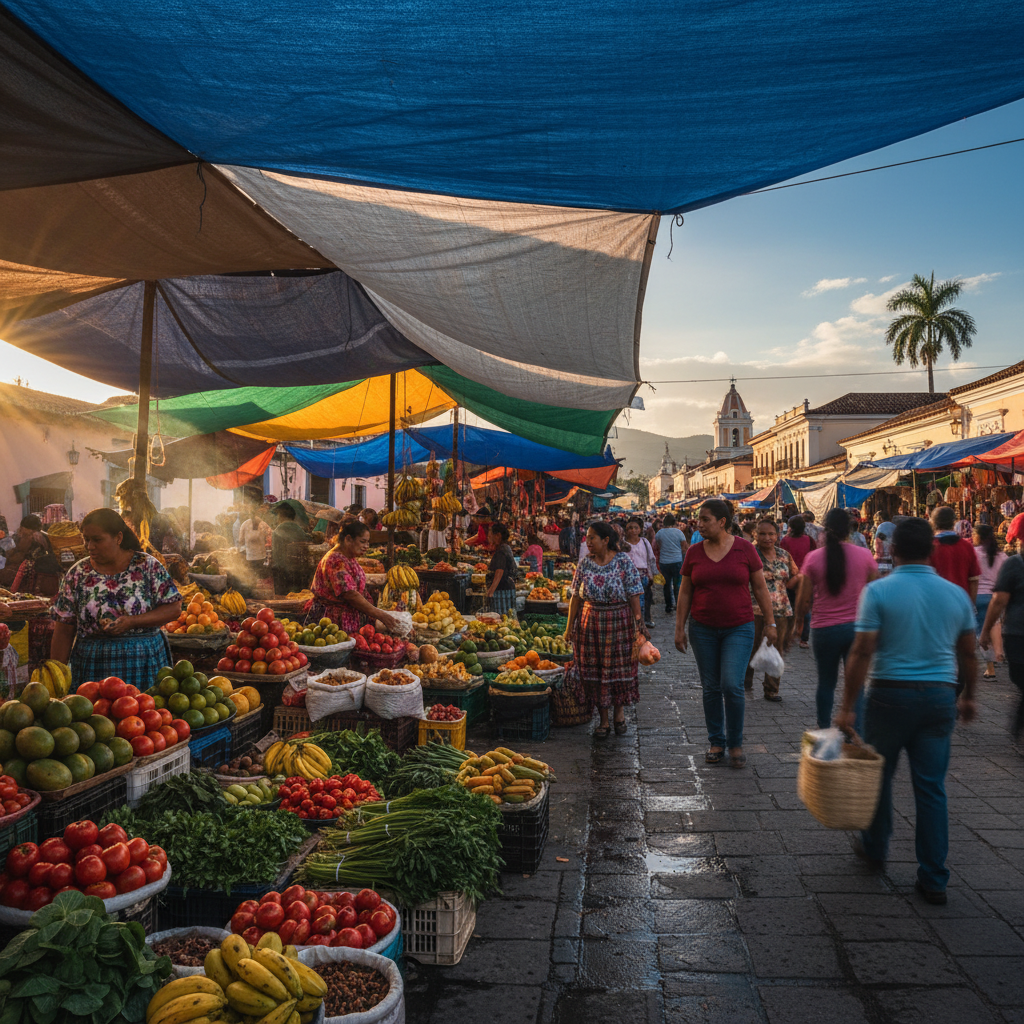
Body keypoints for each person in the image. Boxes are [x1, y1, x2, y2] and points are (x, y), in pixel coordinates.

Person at [835, 517, 977, 906]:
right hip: (938, 698)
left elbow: (862, 652)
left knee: (879, 776)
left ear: (891, 550)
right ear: (932, 551)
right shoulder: (956, 595)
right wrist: (968, 697)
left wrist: (847, 707)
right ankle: (934, 878)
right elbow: (968, 652)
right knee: (931, 788)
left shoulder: (879, 592)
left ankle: (876, 848)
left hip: (887, 697)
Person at [675, 500, 775, 768]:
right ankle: (716, 741)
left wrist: (770, 622)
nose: (699, 523)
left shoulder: (745, 549)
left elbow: (761, 588)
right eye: (699, 519)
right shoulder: (694, 552)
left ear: (722, 521)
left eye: (705, 519)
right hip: (702, 628)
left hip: (739, 627)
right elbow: (685, 592)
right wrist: (679, 627)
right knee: (711, 687)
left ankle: (736, 742)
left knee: (732, 684)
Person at [50, 508, 181, 690]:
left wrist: (132, 622)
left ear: (118, 538)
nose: (89, 546)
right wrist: (56, 678)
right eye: (86, 539)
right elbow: (64, 629)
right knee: (94, 716)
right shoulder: (78, 574)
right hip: (93, 665)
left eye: (97, 539)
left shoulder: (147, 566)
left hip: (143, 662)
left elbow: (174, 608)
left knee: (145, 714)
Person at [794, 507, 878, 730]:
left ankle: (823, 729)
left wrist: (797, 625)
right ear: (850, 529)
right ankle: (855, 731)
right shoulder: (865, 556)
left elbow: (803, 599)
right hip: (857, 629)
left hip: (824, 629)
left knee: (826, 683)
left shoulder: (813, 558)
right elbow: (876, 591)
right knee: (856, 683)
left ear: (825, 528)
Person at [564, 521, 645, 738]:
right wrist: (569, 626)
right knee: (595, 671)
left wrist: (639, 625)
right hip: (590, 625)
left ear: (606, 540)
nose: (588, 542)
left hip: (619, 622)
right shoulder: (585, 564)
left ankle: (619, 714)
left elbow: (634, 594)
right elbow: (575, 597)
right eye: (587, 538)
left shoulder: (623, 561)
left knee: (619, 669)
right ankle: (604, 720)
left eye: (592, 538)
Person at [306, 521, 402, 634]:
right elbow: (350, 594)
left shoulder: (348, 556)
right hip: (332, 622)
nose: (366, 546)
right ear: (348, 539)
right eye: (363, 542)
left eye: (368, 542)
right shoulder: (335, 561)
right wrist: (381, 615)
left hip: (347, 618)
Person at [745, 519, 798, 701]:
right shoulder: (749, 553)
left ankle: (771, 689)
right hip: (754, 610)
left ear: (777, 535)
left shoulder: (784, 555)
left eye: (771, 534)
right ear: (755, 535)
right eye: (762, 534)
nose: (767, 538)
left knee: (777, 649)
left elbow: (793, 577)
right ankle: (744, 682)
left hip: (781, 609)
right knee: (750, 647)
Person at [980, 534, 1024, 740]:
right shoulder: (1012, 563)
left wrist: (986, 630)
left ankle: (1019, 725)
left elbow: (999, 601)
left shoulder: (1015, 564)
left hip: (1017, 634)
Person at [973, 524, 1007, 679]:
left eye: (974, 534)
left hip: (978, 597)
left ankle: (990, 668)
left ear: (979, 536)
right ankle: (1000, 653)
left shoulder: (974, 553)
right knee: (995, 624)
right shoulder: (1002, 556)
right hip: (997, 597)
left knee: (982, 632)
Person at [929, 506, 980, 601]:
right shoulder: (967, 546)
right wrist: (970, 607)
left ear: (932, 522)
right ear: (954, 522)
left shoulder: (929, 547)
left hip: (936, 603)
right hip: (962, 603)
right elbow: (973, 580)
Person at [624, 517, 657, 628]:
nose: (632, 530)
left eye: (635, 528)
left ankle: (640, 625)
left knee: (642, 602)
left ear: (640, 530)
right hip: (627, 578)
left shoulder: (644, 542)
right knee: (630, 603)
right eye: (630, 528)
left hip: (643, 576)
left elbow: (650, 559)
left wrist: (651, 574)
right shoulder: (623, 544)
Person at [271, 505, 308, 595]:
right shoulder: (300, 531)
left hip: (282, 573)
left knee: (283, 598)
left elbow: (277, 555)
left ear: (282, 515)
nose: (277, 518)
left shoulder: (278, 531)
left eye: (278, 515)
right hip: (299, 572)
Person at [654, 514, 688, 614]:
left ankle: (668, 606)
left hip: (664, 562)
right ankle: (678, 605)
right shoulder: (679, 533)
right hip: (677, 561)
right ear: (674, 522)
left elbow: (658, 546)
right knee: (677, 585)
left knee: (666, 585)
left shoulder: (659, 533)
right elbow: (684, 547)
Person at [484, 523, 518, 616]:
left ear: (498, 535)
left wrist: (491, 591)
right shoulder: (505, 547)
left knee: (501, 617)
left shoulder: (501, 551)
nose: (488, 537)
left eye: (490, 535)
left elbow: (500, 571)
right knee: (507, 618)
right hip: (506, 589)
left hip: (502, 590)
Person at [872, 510, 895, 576]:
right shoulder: (893, 528)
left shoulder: (880, 531)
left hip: (882, 565)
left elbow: (879, 551)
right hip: (893, 565)